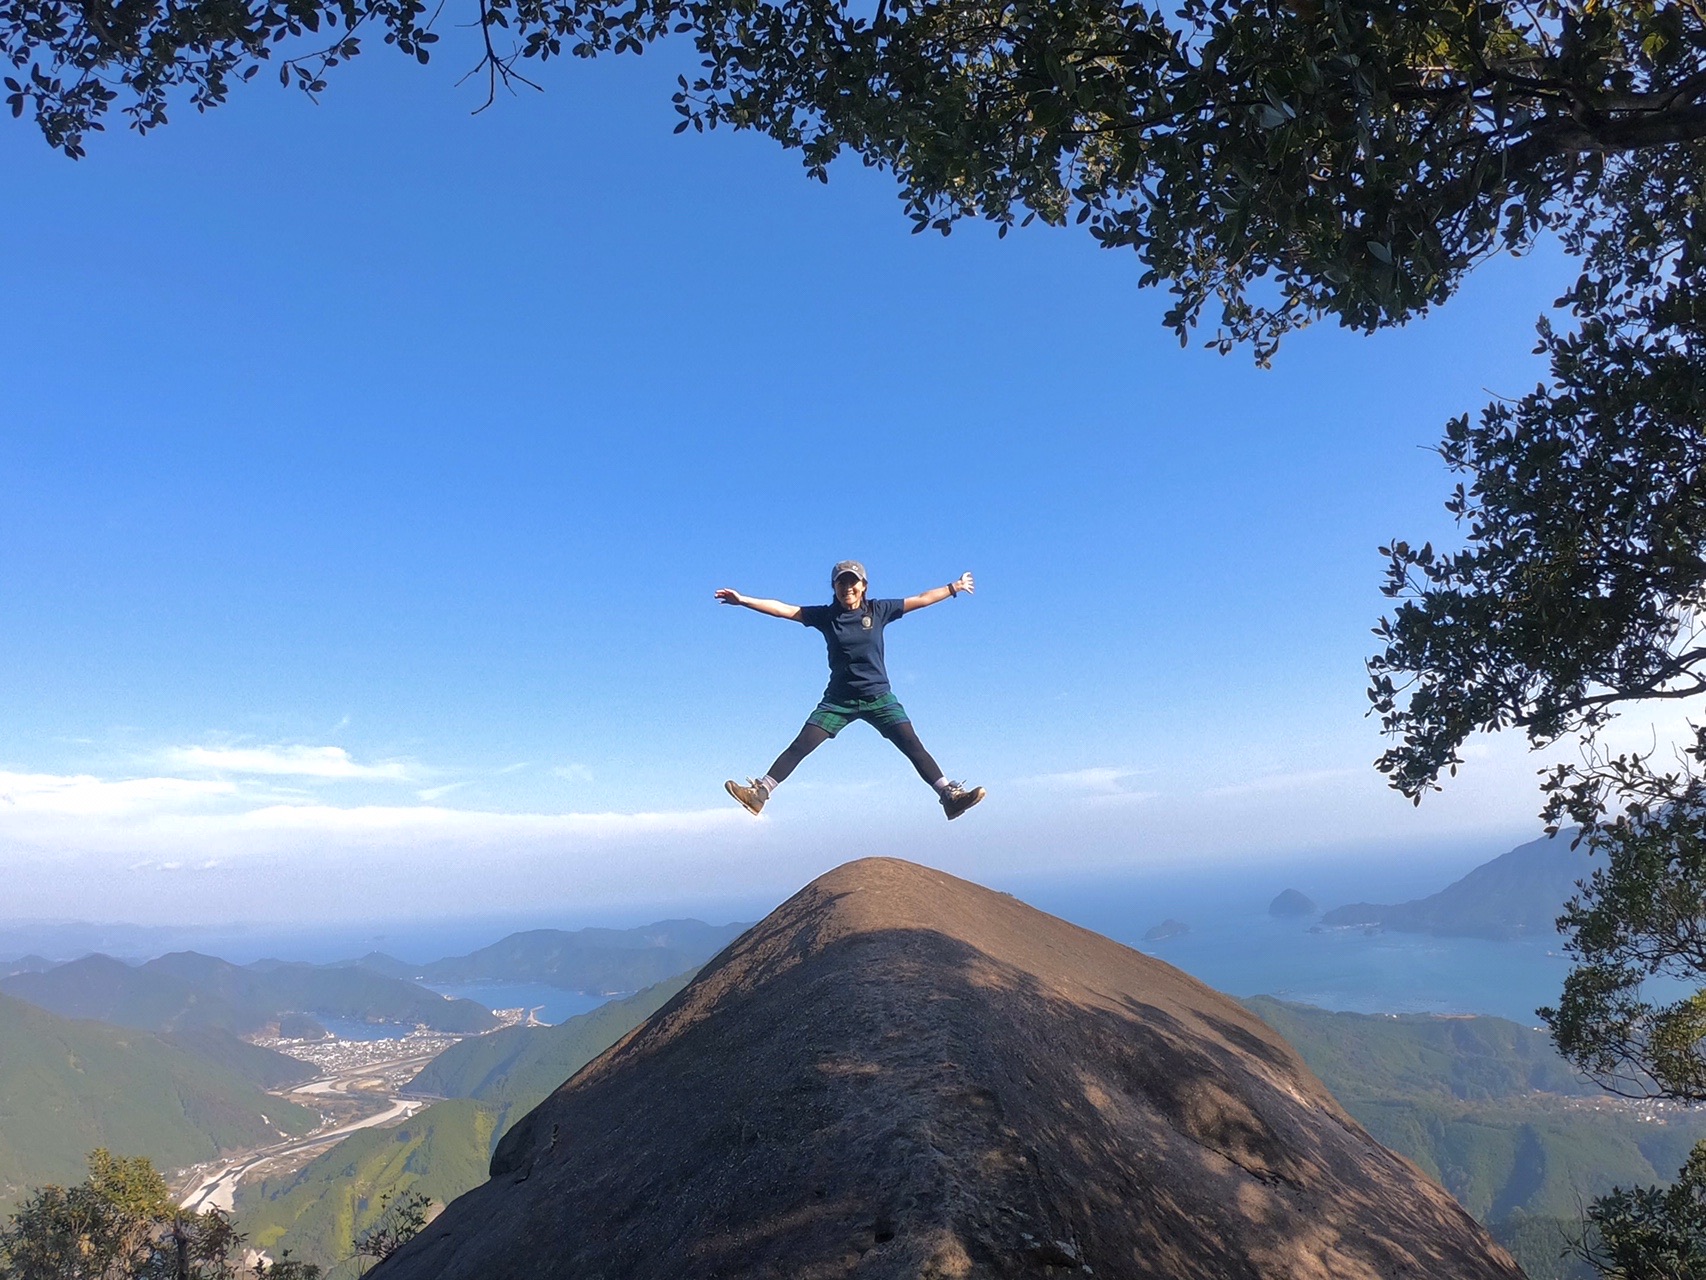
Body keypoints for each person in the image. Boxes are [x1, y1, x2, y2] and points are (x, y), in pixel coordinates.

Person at [716, 560, 986, 820]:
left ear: (864, 585)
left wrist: (955, 587)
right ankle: (759, 794)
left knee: (912, 744)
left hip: (878, 697)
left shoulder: (879, 611)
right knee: (801, 745)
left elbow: (922, 598)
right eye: (841, 582)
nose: (848, 588)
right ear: (834, 587)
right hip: (839, 700)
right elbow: (783, 609)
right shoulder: (826, 616)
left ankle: (949, 798)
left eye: (853, 582)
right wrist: (744, 601)